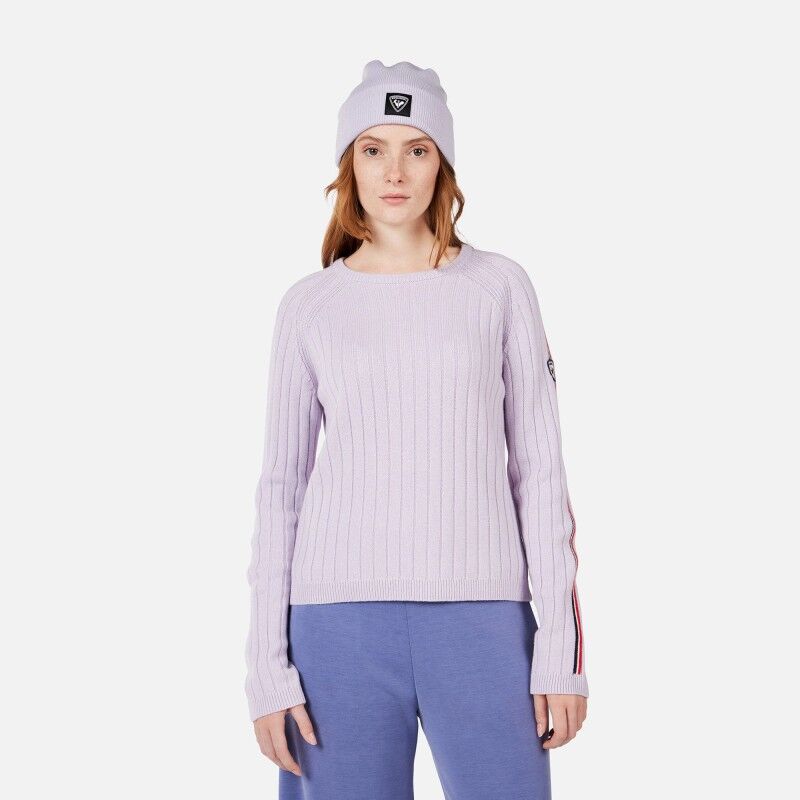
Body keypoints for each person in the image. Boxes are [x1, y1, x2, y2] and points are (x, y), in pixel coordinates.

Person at [244, 59, 589, 800]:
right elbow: (280, 490)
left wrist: (559, 653)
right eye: (374, 149)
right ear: (350, 165)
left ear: (444, 164)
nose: (395, 171)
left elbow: (541, 474)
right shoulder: (309, 306)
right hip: (335, 627)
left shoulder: (499, 286)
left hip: (485, 621)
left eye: (417, 149)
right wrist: (267, 669)